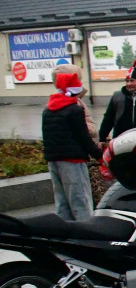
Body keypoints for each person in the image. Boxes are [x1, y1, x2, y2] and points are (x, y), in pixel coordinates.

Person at [42, 68, 103, 220]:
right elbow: (83, 137)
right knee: (80, 199)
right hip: (73, 161)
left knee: (62, 200)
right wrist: (100, 157)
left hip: (53, 159)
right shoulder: (74, 109)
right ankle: (86, 232)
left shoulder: (48, 109)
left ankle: (64, 231)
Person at [98, 65, 136, 142]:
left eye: (132, 80)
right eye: (127, 81)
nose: (129, 84)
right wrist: (102, 138)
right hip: (121, 138)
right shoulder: (118, 96)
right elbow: (108, 119)